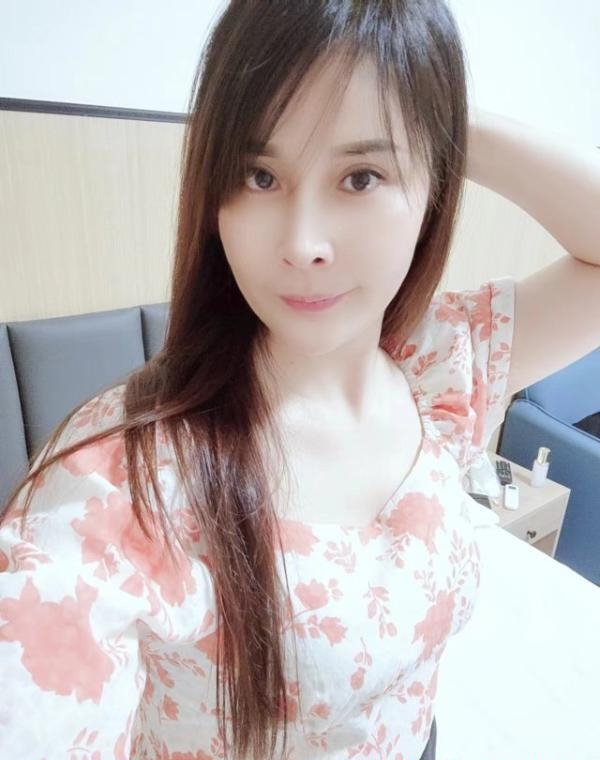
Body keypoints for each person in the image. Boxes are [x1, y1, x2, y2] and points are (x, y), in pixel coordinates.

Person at [2, 2, 600, 759]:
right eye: (260, 176)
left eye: (361, 175)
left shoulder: (442, 364)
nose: (303, 243)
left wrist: (433, 105)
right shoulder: (125, 478)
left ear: (433, 190)